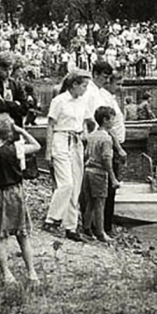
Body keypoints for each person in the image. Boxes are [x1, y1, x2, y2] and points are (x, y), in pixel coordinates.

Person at [0, 113, 41, 286]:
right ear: (9, 131)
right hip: (15, 193)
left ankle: (7, 274)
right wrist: (21, 130)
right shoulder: (16, 148)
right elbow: (36, 146)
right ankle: (32, 273)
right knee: (23, 235)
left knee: (0, 237)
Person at [42, 69, 93, 242]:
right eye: (84, 85)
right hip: (61, 139)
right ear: (74, 85)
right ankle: (52, 218)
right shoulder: (59, 100)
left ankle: (71, 226)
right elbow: (50, 125)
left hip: (77, 141)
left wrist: (85, 137)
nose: (86, 89)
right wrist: (48, 151)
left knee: (76, 186)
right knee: (66, 183)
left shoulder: (83, 101)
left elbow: (85, 122)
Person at [84, 61, 126, 234]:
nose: (106, 80)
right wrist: (117, 146)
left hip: (110, 140)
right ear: (96, 74)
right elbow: (100, 123)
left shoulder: (102, 92)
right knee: (104, 188)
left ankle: (102, 224)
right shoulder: (93, 93)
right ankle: (101, 227)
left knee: (106, 189)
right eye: (104, 77)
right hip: (105, 142)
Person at [82, 106, 121, 242]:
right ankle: (100, 232)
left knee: (90, 203)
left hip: (88, 171)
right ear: (105, 120)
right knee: (100, 204)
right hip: (99, 173)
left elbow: (86, 154)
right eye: (112, 119)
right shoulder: (106, 138)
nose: (113, 122)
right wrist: (113, 178)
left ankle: (87, 228)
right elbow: (106, 159)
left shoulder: (92, 135)